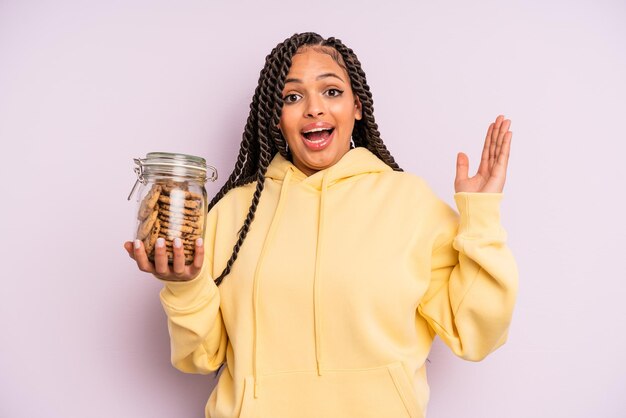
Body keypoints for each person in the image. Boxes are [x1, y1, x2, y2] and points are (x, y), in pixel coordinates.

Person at [124, 32, 518, 418]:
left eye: (331, 91)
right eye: (292, 97)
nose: (314, 109)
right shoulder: (232, 213)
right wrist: (184, 286)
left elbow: (475, 334)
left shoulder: (410, 203)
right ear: (276, 118)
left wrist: (480, 214)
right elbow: (200, 357)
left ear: (357, 106)